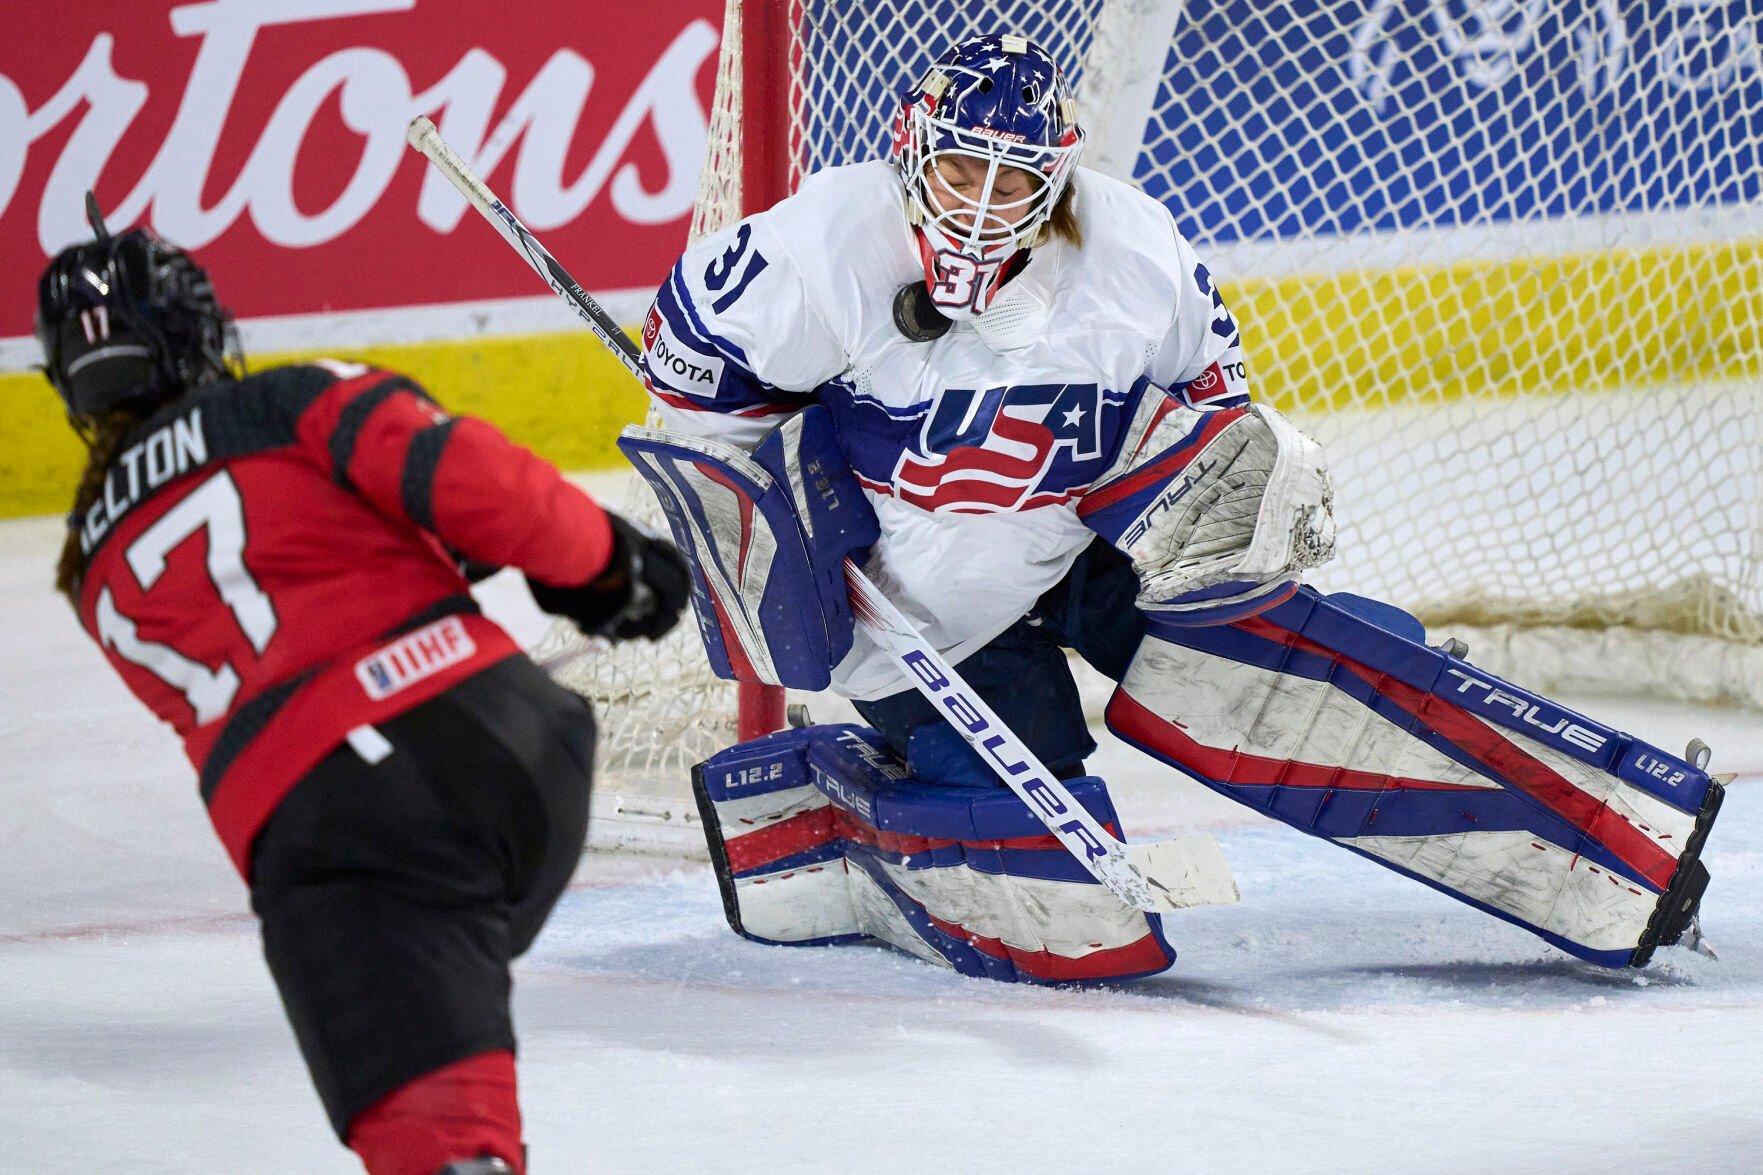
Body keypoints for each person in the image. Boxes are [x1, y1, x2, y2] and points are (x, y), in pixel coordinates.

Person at [633, 34, 1721, 977]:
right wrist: (793, 542)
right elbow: (689, 388)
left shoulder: (1132, 254)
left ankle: (1593, 841)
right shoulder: (816, 251)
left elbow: (1211, 412)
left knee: (1292, 673)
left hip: (1084, 547)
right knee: (1069, 918)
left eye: (1008, 182)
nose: (976, 203)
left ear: (1051, 186)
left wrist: (1226, 537)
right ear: (911, 152)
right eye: (958, 168)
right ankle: (832, 807)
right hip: (921, 612)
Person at [36, 198, 689, 1175]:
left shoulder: (88, 565)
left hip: (337, 832)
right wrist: (604, 564)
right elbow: (458, 474)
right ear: (198, 331)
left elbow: (275, 613)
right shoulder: (279, 401)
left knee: (439, 1146)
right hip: (501, 741)